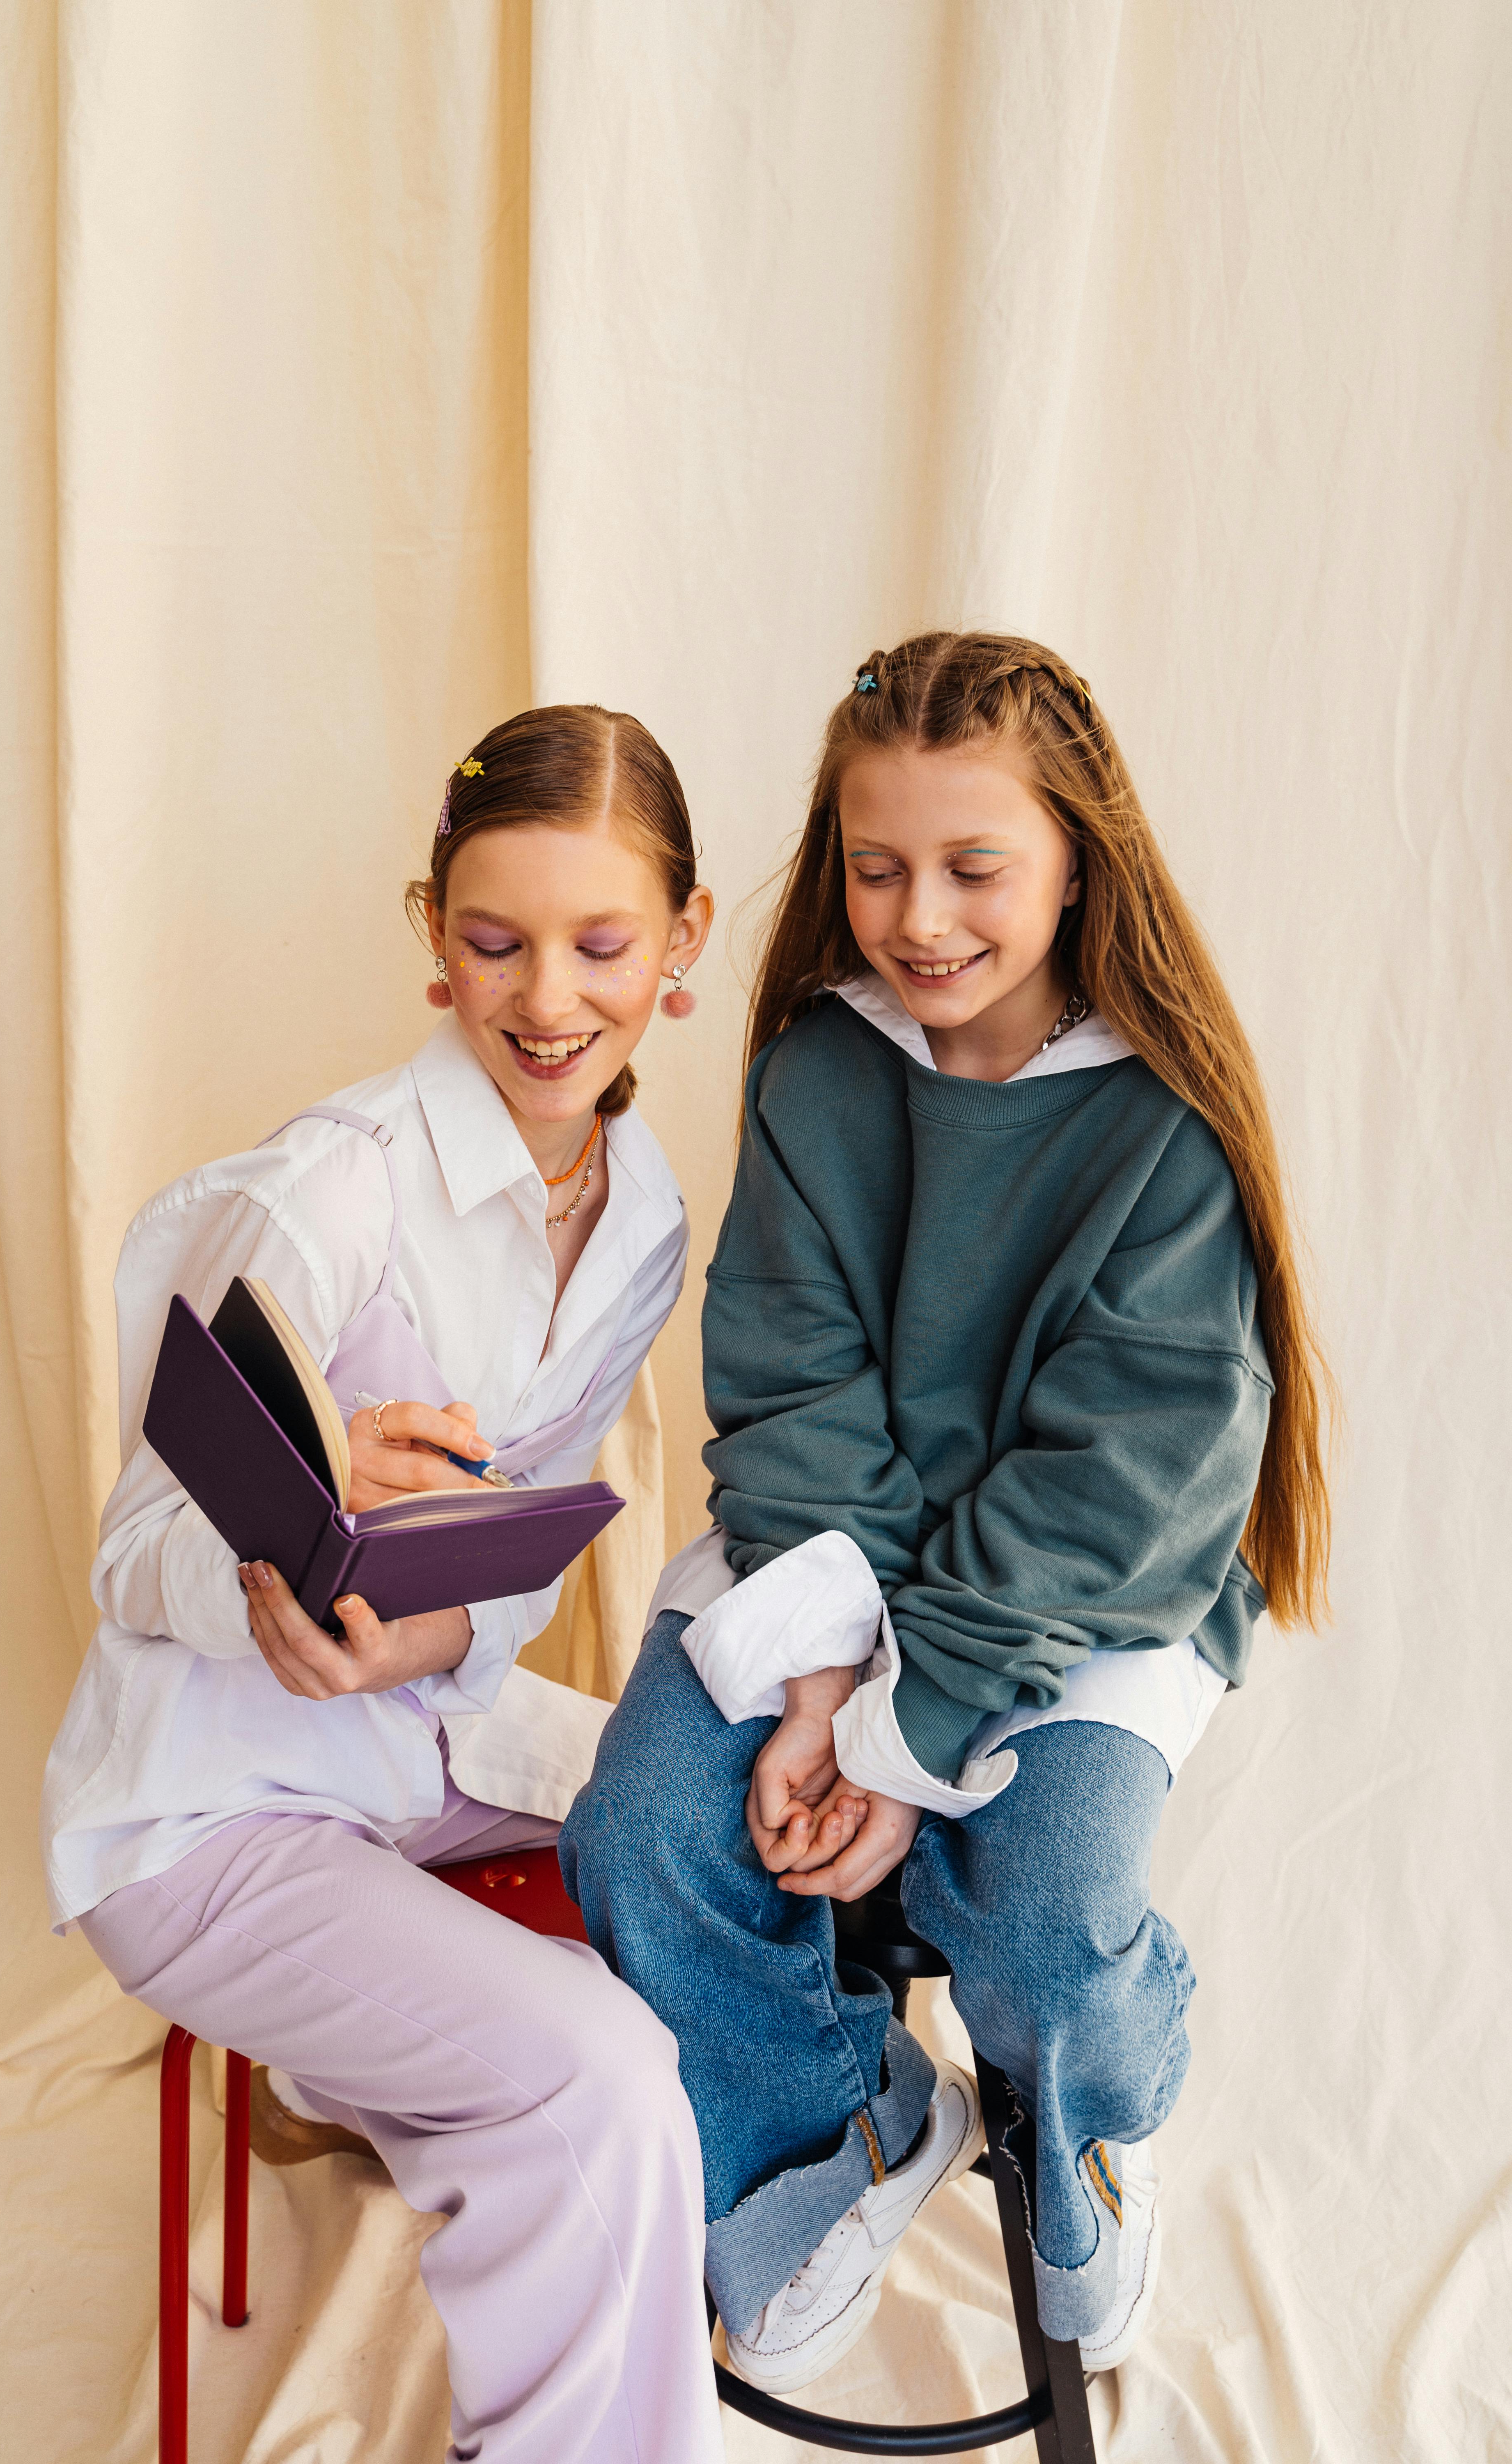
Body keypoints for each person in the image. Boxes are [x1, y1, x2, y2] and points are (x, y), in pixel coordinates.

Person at [562, 632, 1333, 2393]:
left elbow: (1117, 1486)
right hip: (825, 1562)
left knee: (1046, 1912)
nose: (918, 917)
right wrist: (828, 1684)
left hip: (1077, 1606)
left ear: (1078, 859)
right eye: (875, 864)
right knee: (644, 1833)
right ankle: (828, 2130)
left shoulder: (1160, 1127)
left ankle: (1094, 2126)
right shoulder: (822, 1075)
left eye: (974, 867)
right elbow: (790, 1388)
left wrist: (900, 1753)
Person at [41, 704, 724, 2464]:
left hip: (417, 1755)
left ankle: (738, 2224)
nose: (548, 1000)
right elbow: (133, 1546)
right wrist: (276, 1555)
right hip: (208, 1821)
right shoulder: (331, 1188)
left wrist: (421, 1625)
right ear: (434, 937)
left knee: (719, 1831)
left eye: (600, 945)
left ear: (685, 945)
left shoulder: (639, 1215)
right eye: (495, 943)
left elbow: (499, 1573)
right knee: (598, 2080)